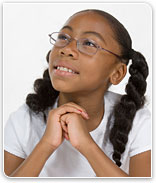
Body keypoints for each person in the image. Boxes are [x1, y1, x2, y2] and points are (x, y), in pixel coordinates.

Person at [4, 9, 151, 177]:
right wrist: (46, 144)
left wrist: (86, 145)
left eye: (89, 43)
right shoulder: (23, 121)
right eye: (63, 38)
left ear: (117, 73)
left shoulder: (139, 122)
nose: (67, 49)